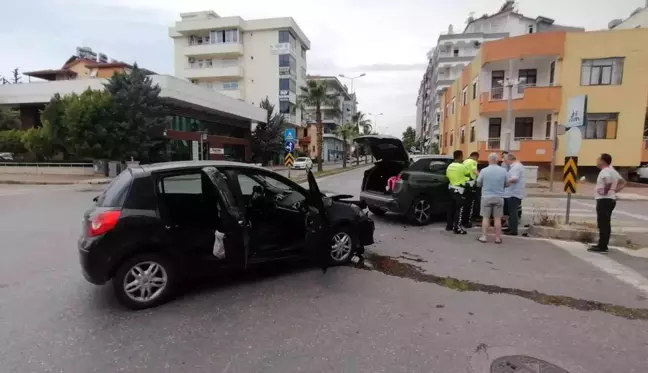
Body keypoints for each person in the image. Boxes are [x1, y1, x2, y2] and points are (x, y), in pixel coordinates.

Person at [589, 153, 626, 253]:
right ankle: (602, 244)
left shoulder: (605, 171)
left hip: (604, 200)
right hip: (610, 200)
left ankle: (602, 247)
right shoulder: (612, 170)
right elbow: (623, 182)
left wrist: (606, 191)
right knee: (605, 223)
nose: (597, 161)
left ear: (603, 161)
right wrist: (614, 191)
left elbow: (608, 181)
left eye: (598, 159)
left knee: (603, 223)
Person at [476, 153, 508, 243]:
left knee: (485, 218)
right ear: (497, 160)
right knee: (497, 218)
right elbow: (508, 183)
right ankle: (497, 238)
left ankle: (484, 237)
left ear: (488, 160)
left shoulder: (484, 171)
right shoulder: (503, 171)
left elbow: (478, 183)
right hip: (499, 197)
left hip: (486, 197)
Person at [446, 150, 469, 234]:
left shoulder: (449, 166)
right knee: (459, 210)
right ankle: (457, 228)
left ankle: (449, 226)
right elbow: (468, 174)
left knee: (451, 209)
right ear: (460, 156)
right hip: (459, 190)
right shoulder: (462, 167)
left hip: (451, 189)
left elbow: (448, 176)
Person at [503, 153, 525, 236]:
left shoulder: (516, 167)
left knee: (513, 212)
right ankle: (510, 227)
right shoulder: (515, 166)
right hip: (512, 193)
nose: (505, 162)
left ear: (510, 159)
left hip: (514, 193)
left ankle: (513, 230)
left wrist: (505, 183)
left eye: (506, 160)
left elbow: (514, 179)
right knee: (511, 212)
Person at [462, 152, 480, 228]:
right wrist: (482, 176)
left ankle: (462, 221)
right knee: (470, 205)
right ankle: (467, 222)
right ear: (476, 157)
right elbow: (474, 171)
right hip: (471, 185)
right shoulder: (473, 162)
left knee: (464, 204)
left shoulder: (465, 161)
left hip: (464, 184)